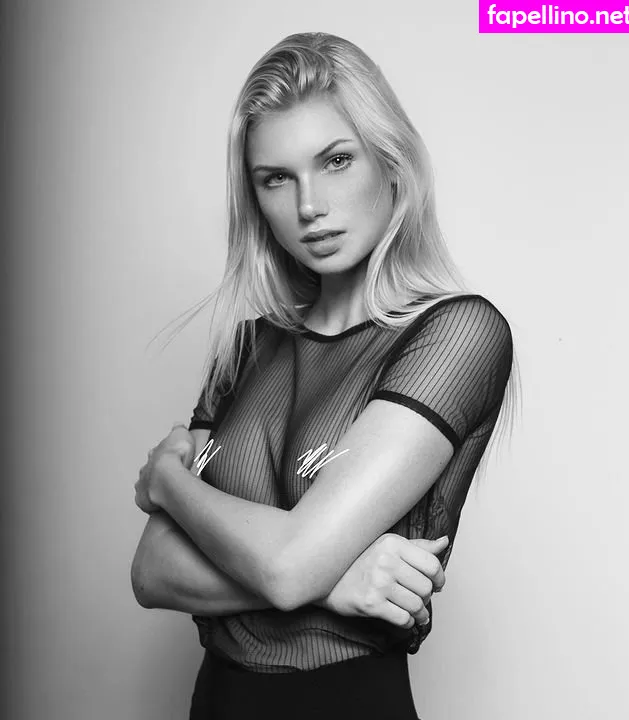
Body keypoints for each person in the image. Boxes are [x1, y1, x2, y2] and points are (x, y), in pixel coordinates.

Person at [131, 31, 520, 720]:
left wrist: (167, 481)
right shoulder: (244, 349)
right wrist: (337, 581)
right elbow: (152, 570)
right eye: (275, 178)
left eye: (336, 161)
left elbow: (288, 569)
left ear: (390, 160)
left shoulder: (456, 334)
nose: (309, 205)